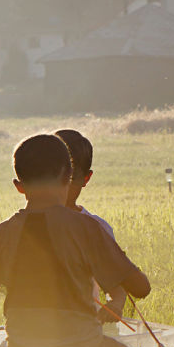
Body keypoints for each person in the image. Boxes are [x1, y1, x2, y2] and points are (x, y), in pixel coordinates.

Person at [0, 134, 152, 347]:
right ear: (68, 178)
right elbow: (142, 288)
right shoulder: (85, 227)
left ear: (19, 186)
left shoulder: (1, 234)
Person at [55, 128, 126, 322]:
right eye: (56, 179)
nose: (63, 188)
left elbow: (116, 287)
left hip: (83, 328)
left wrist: (115, 304)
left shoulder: (96, 228)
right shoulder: (25, 224)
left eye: (71, 180)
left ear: (86, 178)